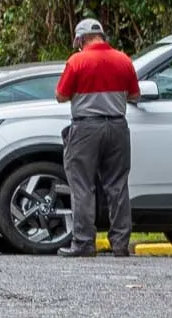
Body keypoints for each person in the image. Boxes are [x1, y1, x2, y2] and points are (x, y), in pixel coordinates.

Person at [55, 18, 139, 257]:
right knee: (118, 186)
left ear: (81, 39)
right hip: (117, 127)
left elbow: (61, 95)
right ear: (102, 36)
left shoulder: (77, 61)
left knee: (82, 186)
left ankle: (83, 243)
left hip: (85, 129)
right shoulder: (124, 60)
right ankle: (120, 244)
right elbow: (134, 94)